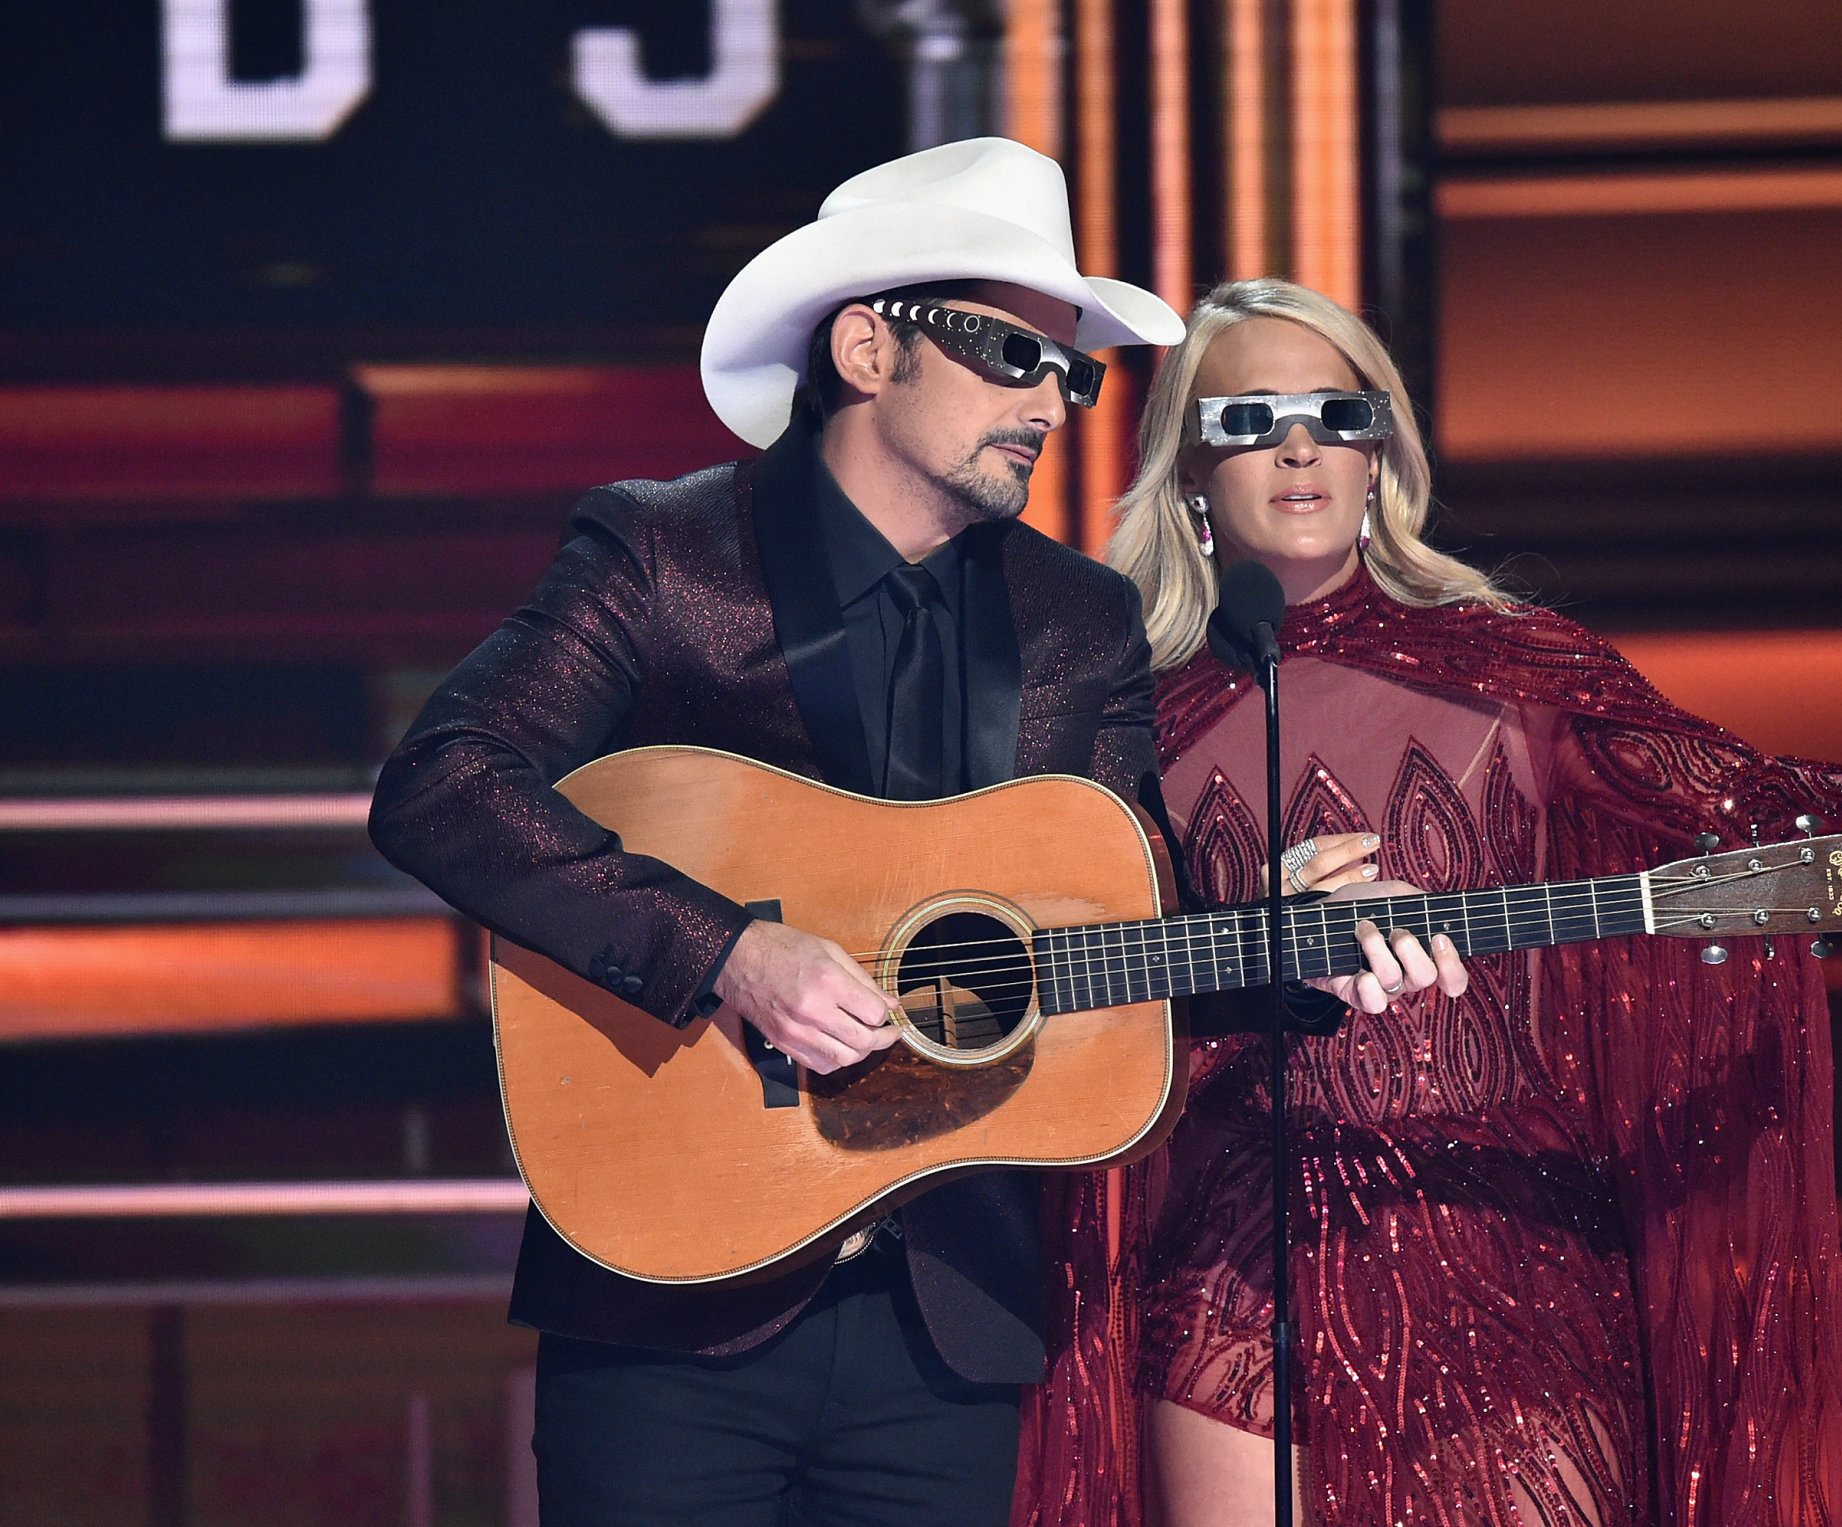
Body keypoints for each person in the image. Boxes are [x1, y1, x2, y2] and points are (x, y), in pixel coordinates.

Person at [368, 146, 1451, 1527]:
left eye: (1072, 372)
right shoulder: (663, 555)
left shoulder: (1078, 621)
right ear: (869, 346)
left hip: (950, 1321)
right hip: (674, 1300)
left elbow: (1130, 924)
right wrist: (726, 951)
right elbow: (444, 780)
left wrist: (1296, 942)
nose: (1050, 402)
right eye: (1012, 353)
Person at [1015, 278, 1842, 1527]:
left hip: (1504, 1232)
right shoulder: (1119, 717)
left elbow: (1735, 813)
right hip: (1236, 1250)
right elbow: (1074, 980)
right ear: (1190, 469)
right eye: (1249, 419)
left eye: (1333, 413)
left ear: (1380, 457)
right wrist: (1240, 937)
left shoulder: (1513, 663)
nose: (1297, 446)